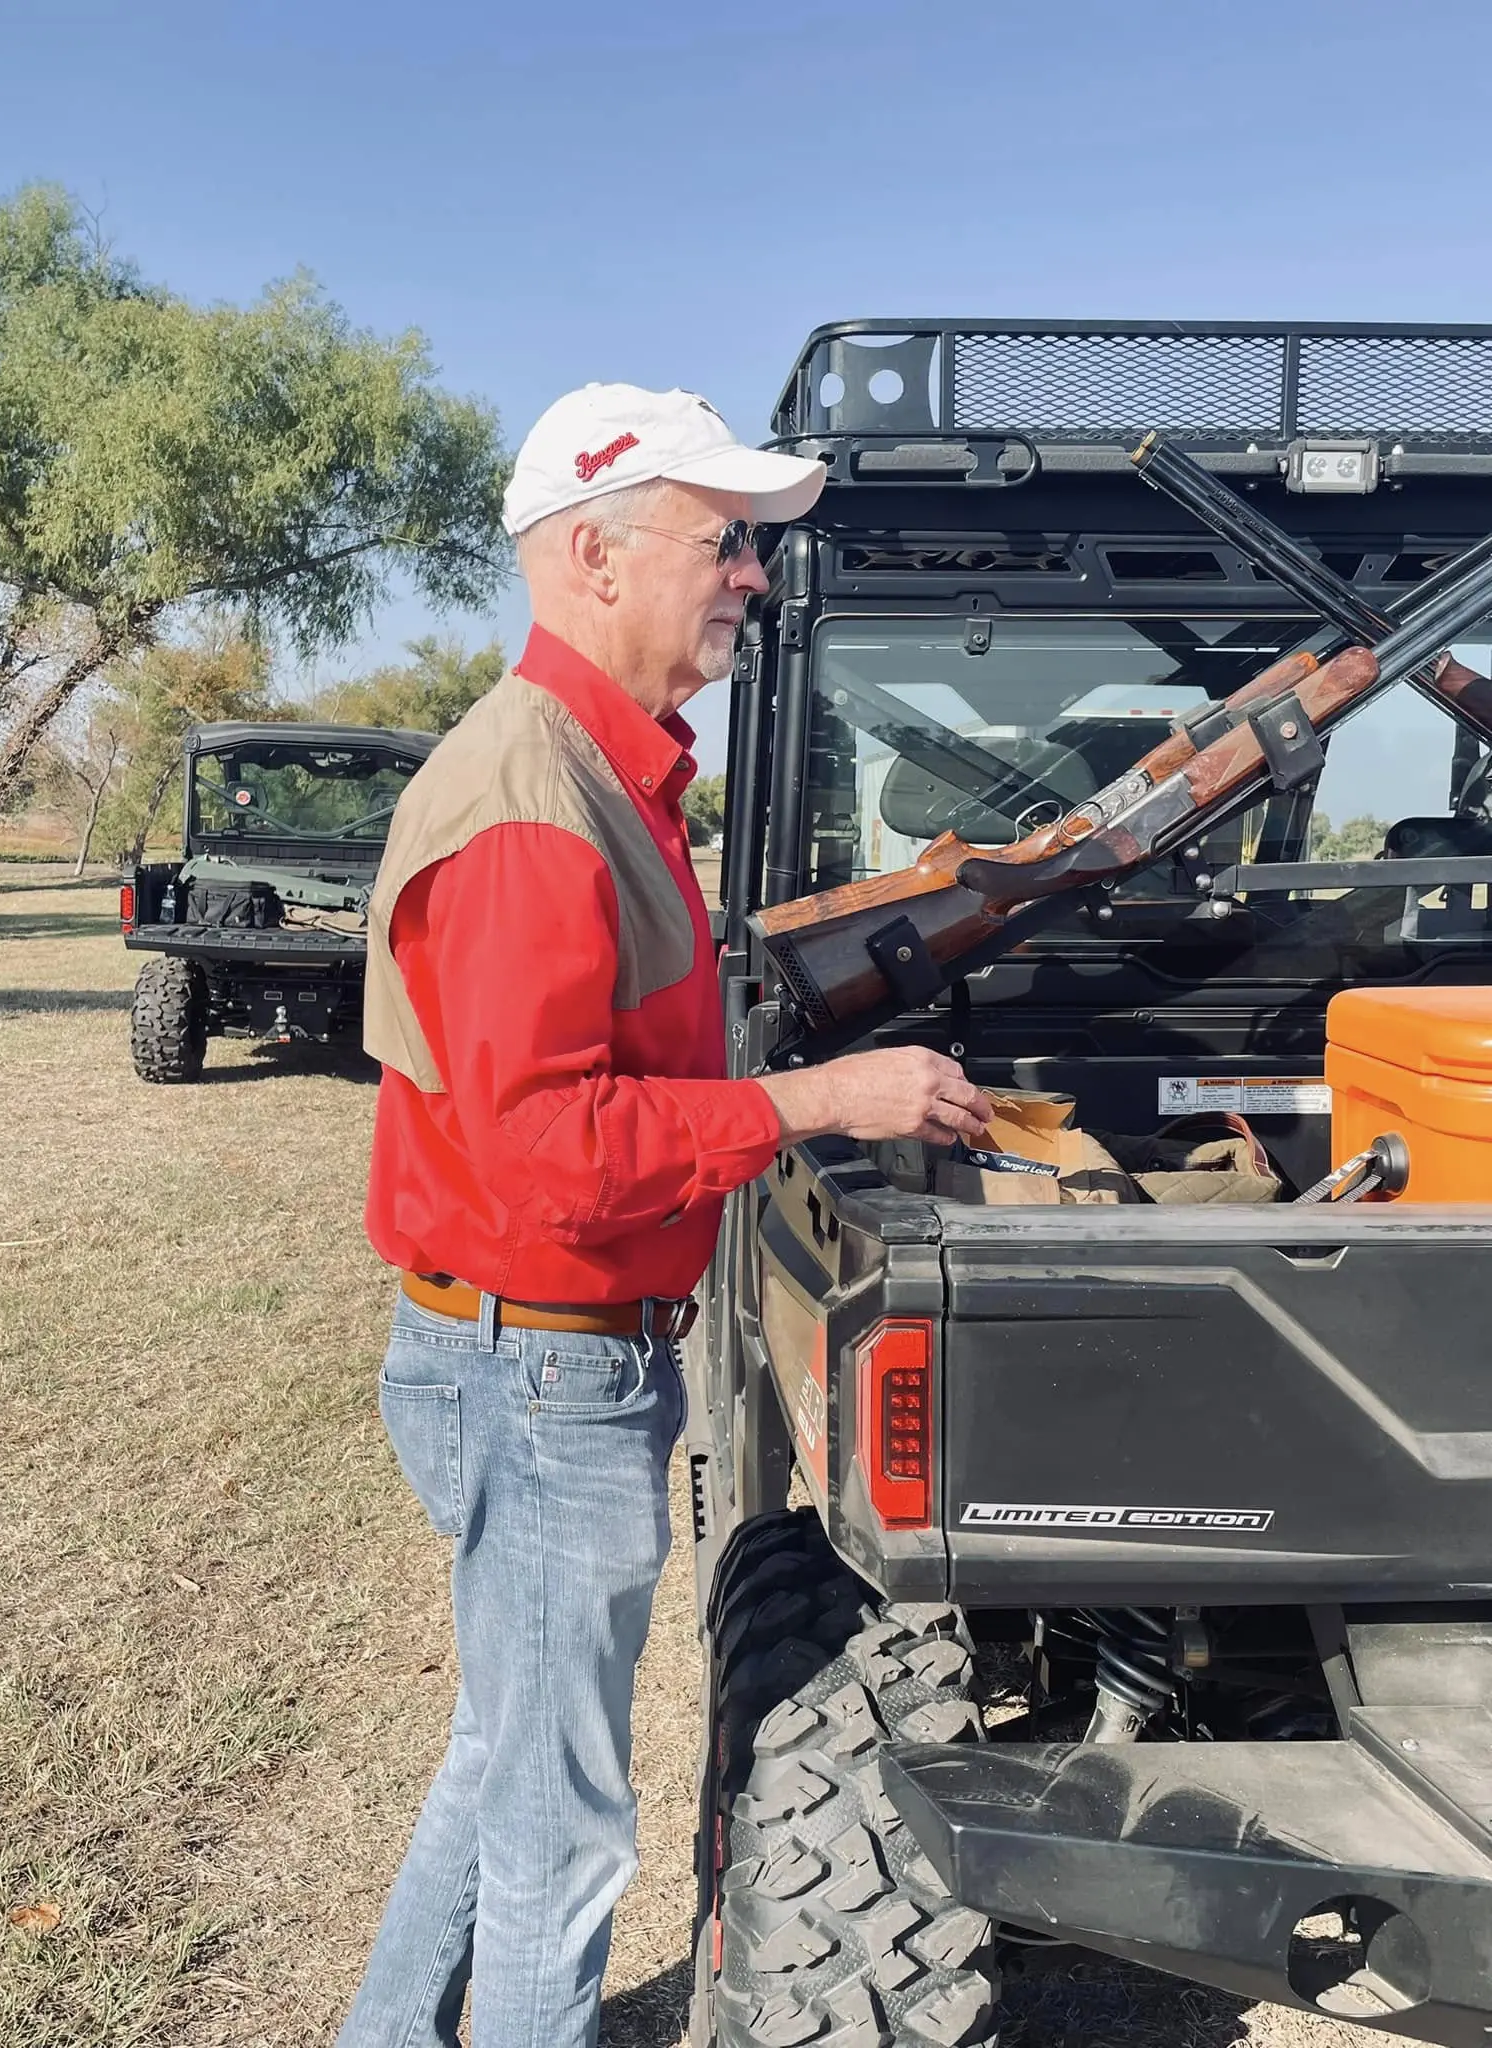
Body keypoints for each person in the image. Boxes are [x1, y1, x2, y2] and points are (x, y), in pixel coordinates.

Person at [343, 382, 993, 2048]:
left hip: (544, 1355)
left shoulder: (603, 773)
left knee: (507, 1754)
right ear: (595, 554)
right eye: (727, 545)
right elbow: (547, 1151)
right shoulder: (530, 806)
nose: (754, 582)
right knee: (561, 1837)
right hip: (539, 1368)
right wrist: (816, 1101)